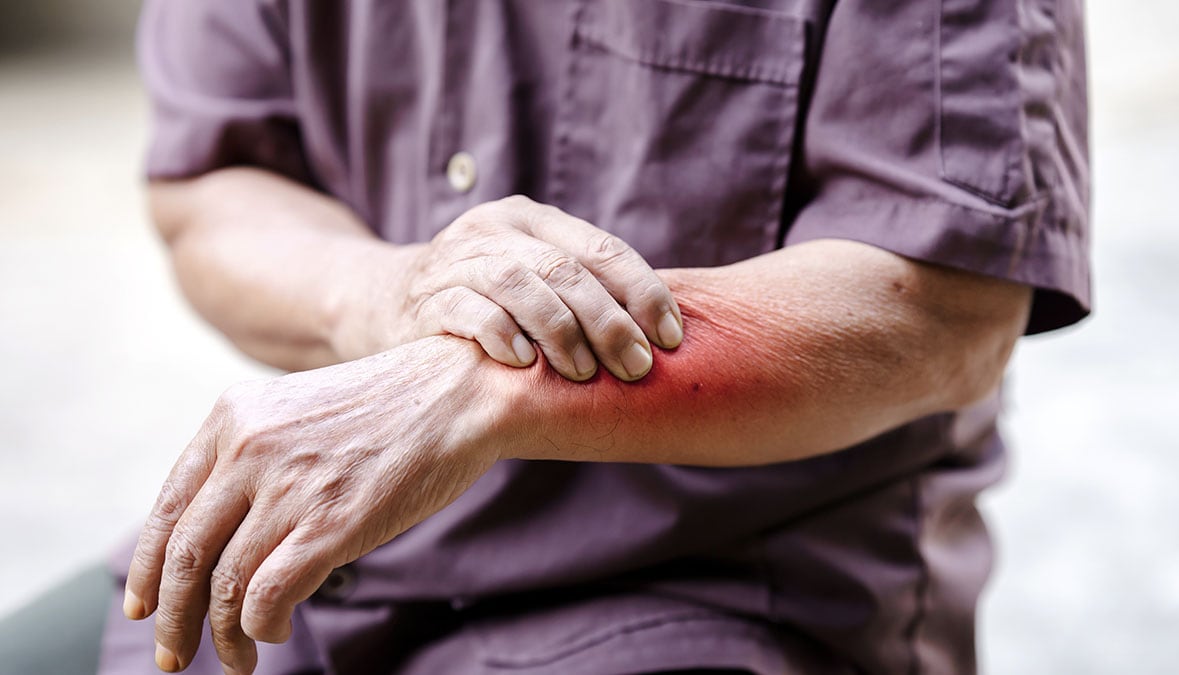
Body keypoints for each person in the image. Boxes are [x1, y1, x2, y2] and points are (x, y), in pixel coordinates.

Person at [83, 0, 1088, 673]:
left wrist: (475, 387)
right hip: (311, 578)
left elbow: (941, 311)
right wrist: (392, 292)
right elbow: (214, 186)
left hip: (711, 592)